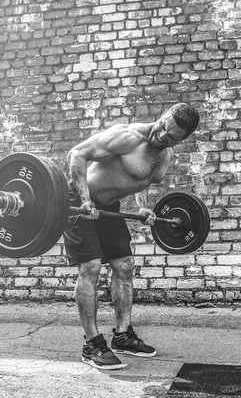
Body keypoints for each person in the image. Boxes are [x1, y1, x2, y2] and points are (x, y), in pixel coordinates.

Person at [64, 103, 200, 370]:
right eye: (163, 126)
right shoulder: (127, 137)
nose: (162, 135)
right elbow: (77, 154)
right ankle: (91, 344)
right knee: (90, 267)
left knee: (124, 265)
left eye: (171, 137)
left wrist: (143, 206)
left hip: (109, 210)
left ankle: (123, 335)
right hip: (80, 204)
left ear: (182, 140)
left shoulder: (164, 156)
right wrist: (84, 198)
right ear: (163, 116)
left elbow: (143, 179)